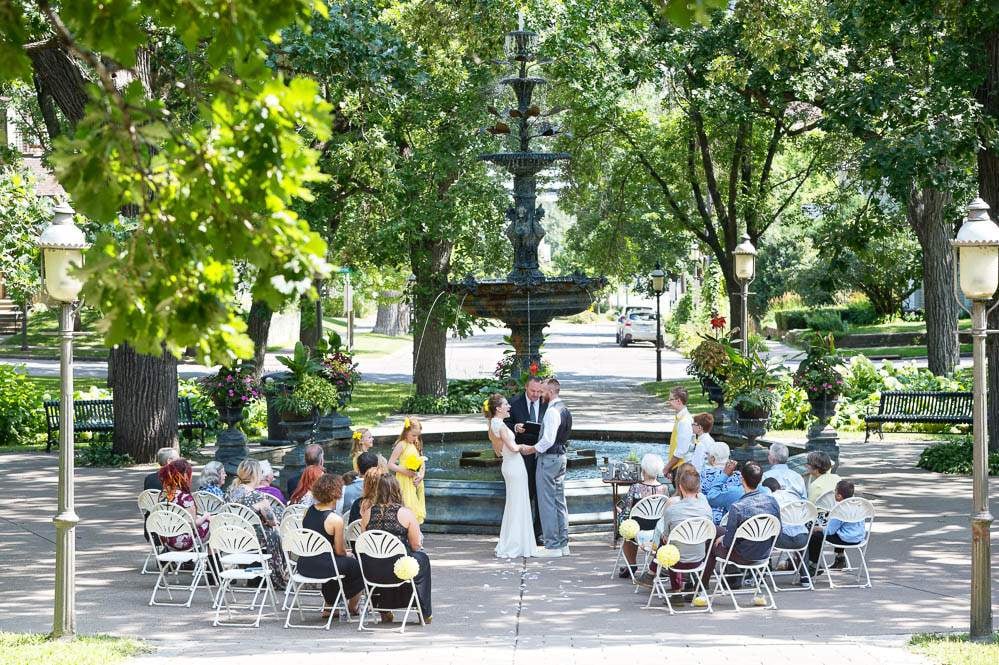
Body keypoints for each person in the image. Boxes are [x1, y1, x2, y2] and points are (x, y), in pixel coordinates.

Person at [697, 462, 780, 604]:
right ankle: (725, 580)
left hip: (744, 555)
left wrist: (723, 539)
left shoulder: (738, 507)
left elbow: (728, 543)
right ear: (760, 480)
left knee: (712, 544)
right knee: (715, 530)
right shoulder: (772, 501)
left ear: (742, 479)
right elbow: (778, 531)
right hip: (764, 552)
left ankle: (701, 585)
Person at [360, 473, 432, 623]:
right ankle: (424, 612)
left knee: (385, 559)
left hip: (373, 570)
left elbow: (365, 543)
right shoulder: (406, 514)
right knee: (422, 559)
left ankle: (384, 609)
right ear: (397, 490)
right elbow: (415, 545)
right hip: (398, 570)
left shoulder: (367, 514)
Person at [297, 473, 364, 616]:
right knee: (356, 566)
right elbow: (339, 551)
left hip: (305, 563)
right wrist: (348, 553)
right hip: (325, 566)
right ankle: (353, 606)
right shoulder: (335, 519)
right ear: (337, 493)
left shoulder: (307, 511)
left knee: (336, 562)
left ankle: (329, 607)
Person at [520, 378, 572, 557]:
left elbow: (548, 440)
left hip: (548, 459)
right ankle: (563, 543)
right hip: (561, 458)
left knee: (547, 502)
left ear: (550, 392)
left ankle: (552, 545)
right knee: (559, 501)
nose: (540, 395)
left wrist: (531, 449)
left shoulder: (551, 412)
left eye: (542, 392)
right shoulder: (564, 409)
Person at [647, 466, 713, 595]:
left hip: (677, 561)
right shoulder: (707, 509)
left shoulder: (672, 510)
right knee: (674, 543)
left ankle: (676, 591)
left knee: (669, 544)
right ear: (698, 488)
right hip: (699, 558)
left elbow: (666, 537)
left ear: (680, 487)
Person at [486, 393, 535, 559]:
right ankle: (516, 543)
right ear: (498, 408)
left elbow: (497, 450)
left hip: (508, 464)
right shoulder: (500, 425)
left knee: (514, 503)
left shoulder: (494, 424)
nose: (509, 407)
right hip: (514, 465)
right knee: (518, 503)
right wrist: (530, 447)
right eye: (506, 404)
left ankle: (513, 541)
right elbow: (513, 448)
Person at [226, 458, 288, 589]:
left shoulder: (230, 492)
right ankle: (278, 576)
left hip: (234, 537)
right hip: (255, 540)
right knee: (275, 533)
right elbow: (272, 522)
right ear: (256, 475)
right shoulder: (258, 496)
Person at [504, 376, 547, 544]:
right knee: (525, 494)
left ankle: (539, 533)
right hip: (522, 456)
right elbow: (503, 425)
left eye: (539, 391)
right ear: (526, 389)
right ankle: (524, 532)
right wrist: (515, 427)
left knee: (542, 495)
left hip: (542, 454)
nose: (536, 394)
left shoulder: (546, 403)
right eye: (532, 391)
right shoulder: (514, 403)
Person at [616, 453, 667, 577]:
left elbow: (627, 512)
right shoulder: (664, 489)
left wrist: (618, 512)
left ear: (643, 470)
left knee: (626, 524)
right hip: (657, 531)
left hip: (639, 530)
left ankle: (632, 564)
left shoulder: (636, 488)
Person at [808, 479, 864, 573]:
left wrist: (817, 528)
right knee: (842, 530)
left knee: (815, 535)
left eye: (835, 491)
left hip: (844, 539)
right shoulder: (859, 505)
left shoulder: (839, 509)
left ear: (839, 495)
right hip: (858, 538)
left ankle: (814, 564)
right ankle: (840, 558)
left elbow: (829, 531)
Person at [157, 458, 210, 550]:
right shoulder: (185, 498)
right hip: (183, 542)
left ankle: (189, 562)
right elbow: (194, 524)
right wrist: (205, 516)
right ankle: (212, 561)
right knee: (212, 523)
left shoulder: (163, 495)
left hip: (166, 540)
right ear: (185, 475)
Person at [388, 416, 426, 524]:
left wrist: (421, 475)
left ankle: (415, 530)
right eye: (413, 435)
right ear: (406, 432)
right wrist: (405, 472)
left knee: (415, 505)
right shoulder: (401, 445)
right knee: (407, 504)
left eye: (417, 436)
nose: (415, 438)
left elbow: (422, 461)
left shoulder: (415, 443)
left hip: (415, 479)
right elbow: (390, 464)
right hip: (404, 478)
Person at [761, 477, 809, 553]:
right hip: (804, 539)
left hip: (784, 540)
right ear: (779, 486)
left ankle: (764, 562)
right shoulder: (794, 495)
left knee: (762, 533)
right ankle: (803, 564)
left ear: (767, 490)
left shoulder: (771, 499)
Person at [703, 442, 742, 525]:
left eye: (708, 456)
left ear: (713, 459)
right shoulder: (739, 476)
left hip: (709, 521)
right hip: (733, 520)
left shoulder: (705, 474)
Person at [663, 387, 694, 477]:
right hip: (678, 466)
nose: (669, 402)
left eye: (671, 399)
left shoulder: (684, 421)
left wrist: (667, 468)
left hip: (682, 468)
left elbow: (681, 451)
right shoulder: (681, 418)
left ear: (678, 401)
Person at [342, 451, 379, 519]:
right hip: (377, 528)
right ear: (377, 468)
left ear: (358, 469)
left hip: (351, 527)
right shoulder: (384, 488)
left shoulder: (345, 490)